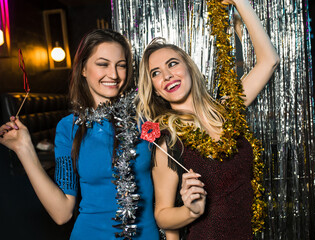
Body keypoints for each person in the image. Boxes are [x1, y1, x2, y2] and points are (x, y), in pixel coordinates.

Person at [136, 0, 280, 239]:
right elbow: (162, 214)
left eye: (172, 64)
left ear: (189, 68)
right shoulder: (169, 142)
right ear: (156, 90)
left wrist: (240, 2)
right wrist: (190, 211)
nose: (167, 75)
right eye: (156, 73)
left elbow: (269, 61)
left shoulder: (228, 110)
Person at [0, 29, 159, 240]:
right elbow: (62, 213)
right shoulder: (68, 127)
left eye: (121, 65)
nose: (113, 74)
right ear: (83, 68)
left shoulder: (145, 119)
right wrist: (24, 148)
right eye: (102, 64)